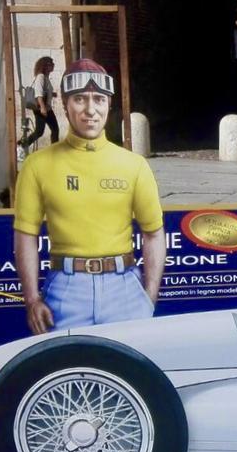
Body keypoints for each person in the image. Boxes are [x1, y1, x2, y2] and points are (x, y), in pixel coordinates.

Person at [13, 58, 165, 334]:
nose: (90, 110)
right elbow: (26, 234)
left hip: (126, 291)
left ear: (109, 104)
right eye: (80, 99)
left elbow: (154, 233)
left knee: (127, 374)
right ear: (65, 104)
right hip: (65, 290)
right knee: (65, 372)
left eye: (99, 99)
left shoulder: (134, 165)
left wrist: (148, 297)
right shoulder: (37, 165)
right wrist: (32, 299)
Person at [20, 56, 59, 149]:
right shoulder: (40, 77)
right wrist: (43, 107)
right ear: (45, 65)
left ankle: (55, 151)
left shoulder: (45, 77)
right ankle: (21, 146)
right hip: (41, 108)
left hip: (46, 108)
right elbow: (38, 94)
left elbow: (44, 91)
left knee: (51, 130)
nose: (53, 66)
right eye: (51, 64)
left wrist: (52, 94)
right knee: (41, 131)